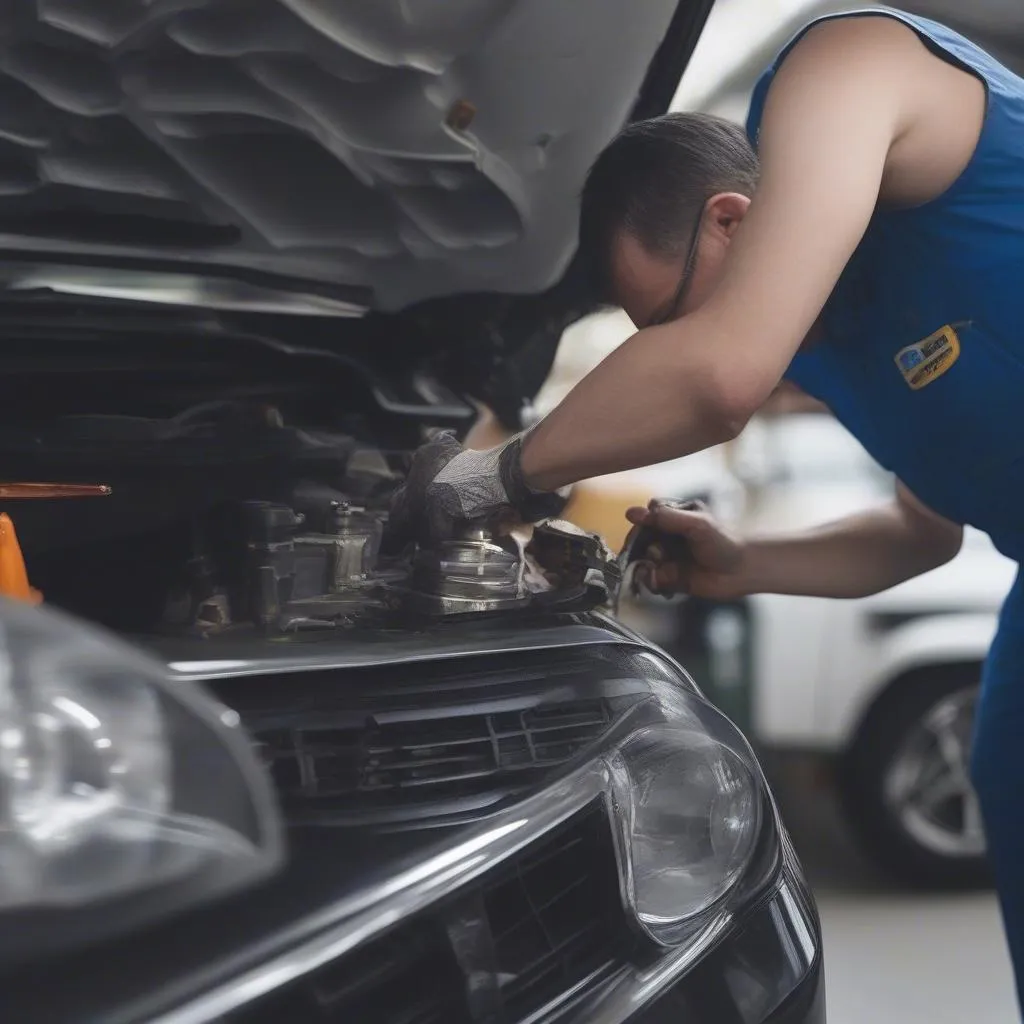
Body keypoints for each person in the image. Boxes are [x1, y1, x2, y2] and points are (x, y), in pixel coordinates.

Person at [386, 7, 1024, 1003]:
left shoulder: (849, 65)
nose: (677, 349)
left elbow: (718, 377)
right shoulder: (837, 340)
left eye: (671, 321)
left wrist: (485, 480)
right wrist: (745, 560)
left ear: (730, 217)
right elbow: (915, 536)